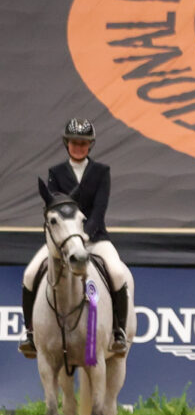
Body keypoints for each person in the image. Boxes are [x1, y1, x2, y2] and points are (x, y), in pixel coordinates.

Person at [19, 119, 130, 358]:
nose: (79, 146)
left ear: (90, 145)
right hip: (63, 242)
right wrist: (71, 239)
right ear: (67, 144)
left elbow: (100, 209)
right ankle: (29, 333)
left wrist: (84, 235)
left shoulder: (101, 172)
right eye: (74, 142)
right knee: (29, 274)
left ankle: (117, 331)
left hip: (95, 237)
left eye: (84, 143)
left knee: (118, 273)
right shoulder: (56, 173)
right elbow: (55, 208)